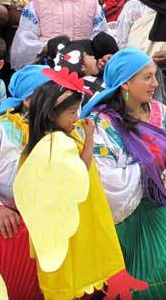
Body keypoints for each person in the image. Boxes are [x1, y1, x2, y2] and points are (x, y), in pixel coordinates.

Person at [81, 48, 166, 299]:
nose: (155, 84)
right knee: (159, 265)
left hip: (158, 202)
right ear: (126, 83)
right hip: (123, 213)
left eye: (154, 76)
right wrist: (145, 168)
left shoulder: (161, 114)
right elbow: (104, 179)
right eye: (147, 77)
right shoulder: (102, 123)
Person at [20, 69, 136, 300]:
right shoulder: (57, 143)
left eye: (77, 110)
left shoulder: (51, 139)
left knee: (70, 265)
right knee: (68, 266)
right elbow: (81, 170)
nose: (76, 117)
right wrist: (89, 137)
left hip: (68, 218)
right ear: (51, 114)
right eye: (71, 112)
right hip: (66, 220)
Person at [0, 65, 50, 300]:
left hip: (40, 231)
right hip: (3, 235)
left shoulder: (57, 134)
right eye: (52, 95)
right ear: (28, 101)